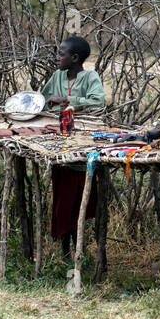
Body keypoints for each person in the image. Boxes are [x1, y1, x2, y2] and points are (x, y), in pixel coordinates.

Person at [43, 36, 106, 252]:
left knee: (81, 200)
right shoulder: (57, 77)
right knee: (63, 201)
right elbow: (43, 100)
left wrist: (68, 102)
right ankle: (65, 248)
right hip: (59, 146)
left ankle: (81, 247)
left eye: (62, 54)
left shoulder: (90, 77)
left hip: (82, 147)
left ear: (75, 57)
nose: (57, 57)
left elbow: (98, 102)